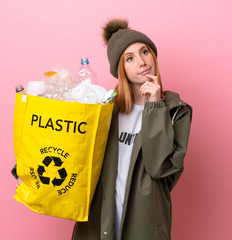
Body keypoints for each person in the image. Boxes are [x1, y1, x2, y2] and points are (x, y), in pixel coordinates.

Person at [71, 18, 193, 240]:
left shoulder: (177, 111)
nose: (142, 62)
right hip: (99, 221)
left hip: (144, 225)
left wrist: (155, 106)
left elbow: (159, 168)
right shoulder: (104, 110)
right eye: (130, 58)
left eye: (144, 52)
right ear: (121, 69)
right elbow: (77, 157)